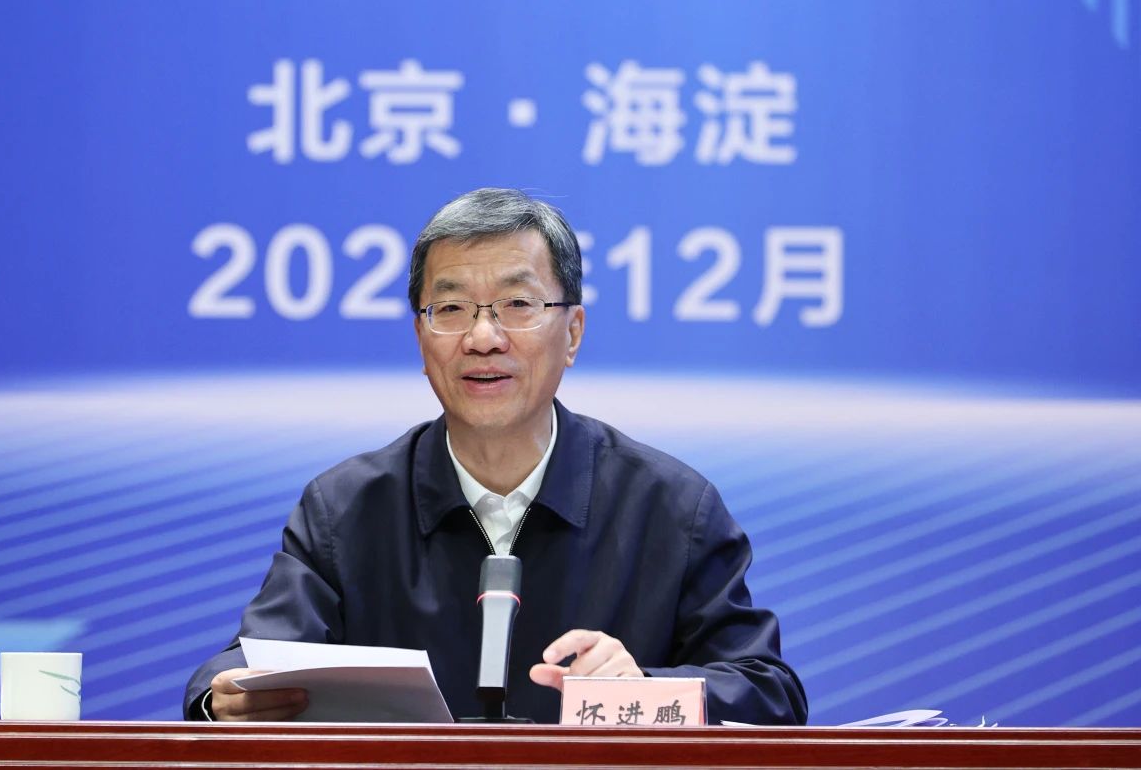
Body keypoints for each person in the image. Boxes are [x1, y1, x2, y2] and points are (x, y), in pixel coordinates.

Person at [183, 188, 807, 725]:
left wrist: (642, 688)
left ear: (573, 333)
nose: (483, 337)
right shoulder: (345, 510)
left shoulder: (671, 509)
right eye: (451, 309)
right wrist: (224, 699)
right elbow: (244, 666)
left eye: (517, 305)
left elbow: (768, 692)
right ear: (421, 336)